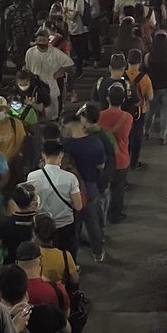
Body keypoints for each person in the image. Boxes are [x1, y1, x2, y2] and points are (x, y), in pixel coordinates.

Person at [60, 112, 106, 262]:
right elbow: (101, 165)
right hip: (91, 185)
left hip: (72, 188)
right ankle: (98, 252)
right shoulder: (96, 142)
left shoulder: (66, 146)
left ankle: (73, 258)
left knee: (75, 223)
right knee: (92, 220)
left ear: (67, 126)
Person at [27, 140, 82, 253]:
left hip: (42, 226)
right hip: (65, 225)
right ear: (61, 155)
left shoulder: (32, 177)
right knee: (67, 254)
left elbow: (31, 202)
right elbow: (78, 206)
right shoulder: (70, 178)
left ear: (43, 154)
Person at [97, 85, 132, 225]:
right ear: (123, 100)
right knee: (118, 188)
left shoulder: (99, 116)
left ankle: (101, 216)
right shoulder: (128, 117)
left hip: (104, 160)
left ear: (107, 98)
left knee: (102, 190)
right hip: (122, 158)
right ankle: (115, 214)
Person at [24, 28, 72, 119]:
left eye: (44, 40)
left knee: (52, 105)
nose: (42, 42)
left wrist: (59, 72)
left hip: (50, 82)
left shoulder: (54, 52)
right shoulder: (30, 52)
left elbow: (68, 62)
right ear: (36, 40)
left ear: (48, 40)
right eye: (40, 40)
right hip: (35, 83)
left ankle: (53, 120)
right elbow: (28, 67)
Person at [0, 183, 39, 264]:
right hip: (34, 263)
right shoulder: (38, 220)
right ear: (32, 202)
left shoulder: (6, 222)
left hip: (11, 262)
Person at [144, 30, 167, 145]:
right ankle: (163, 136)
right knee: (165, 111)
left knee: (150, 111)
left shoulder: (149, 57)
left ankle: (146, 132)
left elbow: (146, 67)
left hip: (154, 87)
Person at [0, 95, 26, 165]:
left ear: (6, 109)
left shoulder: (16, 123)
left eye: (0, 109)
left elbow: (21, 143)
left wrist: (12, 160)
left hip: (15, 162)